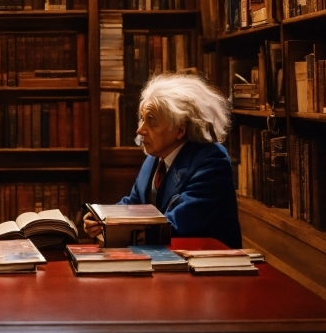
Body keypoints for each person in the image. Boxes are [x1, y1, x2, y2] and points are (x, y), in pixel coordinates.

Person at [84, 73, 242, 248]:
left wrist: (112, 228)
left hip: (206, 267)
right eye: (142, 119)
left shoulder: (212, 162)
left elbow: (176, 226)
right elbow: (134, 205)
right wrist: (102, 218)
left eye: (151, 122)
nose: (140, 130)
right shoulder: (154, 157)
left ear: (180, 130)